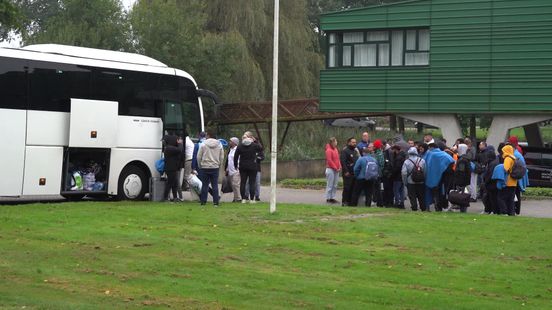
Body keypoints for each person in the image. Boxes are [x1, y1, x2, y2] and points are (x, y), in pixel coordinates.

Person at [197, 130, 224, 207]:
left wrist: (200, 165)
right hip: (215, 167)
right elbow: (221, 157)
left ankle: (203, 202)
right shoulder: (219, 145)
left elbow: (199, 156)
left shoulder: (203, 144)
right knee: (215, 185)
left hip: (205, 166)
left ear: (208, 135)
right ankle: (215, 202)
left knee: (205, 185)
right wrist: (220, 165)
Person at [424, 142, 455, 211]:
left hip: (437, 177)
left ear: (431, 148)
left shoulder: (432, 154)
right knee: (441, 192)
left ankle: (437, 206)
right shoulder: (443, 153)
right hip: (446, 176)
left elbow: (429, 165)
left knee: (436, 193)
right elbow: (451, 160)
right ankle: (440, 206)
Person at [235, 135, 263, 204]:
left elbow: (236, 157)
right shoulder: (254, 145)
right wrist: (255, 141)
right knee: (252, 183)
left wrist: (235, 165)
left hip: (243, 166)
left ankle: (243, 199)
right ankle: (252, 199)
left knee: (243, 182)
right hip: (253, 166)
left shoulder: (240, 146)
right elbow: (261, 148)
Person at [402, 147, 426, 211]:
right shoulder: (422, 160)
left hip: (411, 182)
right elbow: (425, 171)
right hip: (421, 182)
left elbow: (404, 173)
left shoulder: (406, 162)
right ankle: (423, 208)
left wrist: (405, 182)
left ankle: (414, 208)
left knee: (412, 197)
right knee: (421, 196)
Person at [497, 144, 519, 215]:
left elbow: (505, 169)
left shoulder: (507, 158)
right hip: (514, 182)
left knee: (501, 198)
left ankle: (504, 212)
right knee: (511, 199)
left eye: (503, 151)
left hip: (508, 181)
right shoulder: (514, 158)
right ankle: (511, 213)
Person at [163, 134, 183, 202]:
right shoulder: (169, 148)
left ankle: (175, 197)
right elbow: (179, 150)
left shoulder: (169, 148)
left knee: (174, 183)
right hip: (170, 168)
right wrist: (180, 143)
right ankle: (165, 197)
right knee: (170, 183)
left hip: (172, 168)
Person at [340, 137, 359, 206]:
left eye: (355, 142)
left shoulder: (355, 151)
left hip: (354, 173)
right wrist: (346, 171)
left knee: (353, 188)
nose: (355, 144)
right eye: (353, 142)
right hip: (347, 173)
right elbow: (343, 162)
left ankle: (351, 202)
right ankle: (345, 201)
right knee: (347, 188)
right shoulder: (345, 151)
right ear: (349, 143)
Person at [324, 137, 341, 204]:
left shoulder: (336, 150)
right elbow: (329, 160)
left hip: (336, 169)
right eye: (335, 141)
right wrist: (335, 167)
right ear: (332, 142)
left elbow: (338, 159)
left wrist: (339, 166)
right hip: (330, 169)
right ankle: (328, 198)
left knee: (335, 184)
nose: (336, 143)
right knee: (330, 184)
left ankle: (332, 197)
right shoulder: (328, 150)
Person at [224, 137, 241, 202]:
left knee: (235, 184)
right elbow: (228, 160)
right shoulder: (230, 150)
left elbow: (239, 159)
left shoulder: (238, 149)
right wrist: (227, 168)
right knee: (233, 185)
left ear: (234, 143)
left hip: (236, 170)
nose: (229, 142)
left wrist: (238, 167)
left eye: (231, 141)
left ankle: (239, 198)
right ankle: (235, 197)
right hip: (230, 170)